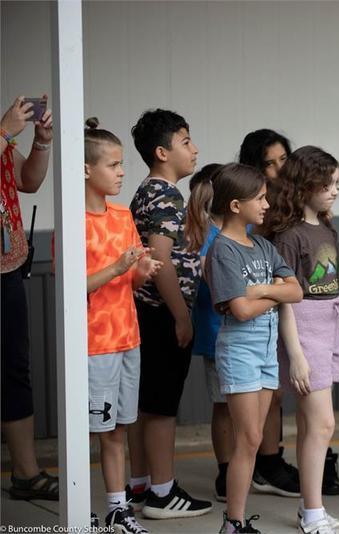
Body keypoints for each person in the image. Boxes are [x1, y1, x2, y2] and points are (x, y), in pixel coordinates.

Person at [205, 163, 303, 534]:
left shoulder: (262, 245)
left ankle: (237, 521)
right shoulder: (223, 250)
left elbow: (296, 291)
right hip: (240, 349)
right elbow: (241, 311)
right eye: (259, 198)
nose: (266, 205)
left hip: (266, 348)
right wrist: (276, 293)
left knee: (254, 438)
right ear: (235, 205)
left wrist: (261, 290)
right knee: (247, 439)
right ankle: (233, 523)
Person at [126, 108, 212, 518]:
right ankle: (162, 494)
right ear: (162, 152)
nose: (194, 149)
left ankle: (140, 484)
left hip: (144, 313)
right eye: (185, 141)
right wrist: (181, 315)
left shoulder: (145, 191)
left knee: (145, 404)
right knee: (161, 408)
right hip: (161, 314)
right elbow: (159, 259)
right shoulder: (166, 195)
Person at [264, 145, 339, 533]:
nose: (335, 191)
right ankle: (313, 513)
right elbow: (285, 298)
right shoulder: (289, 235)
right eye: (327, 184)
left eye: (337, 183)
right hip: (304, 329)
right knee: (322, 424)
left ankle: (310, 508)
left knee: (312, 425)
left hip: (329, 325)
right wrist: (295, 353)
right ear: (304, 184)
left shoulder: (326, 227)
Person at [83, 118, 162, 533]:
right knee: (91, 429)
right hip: (93, 344)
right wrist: (118, 267)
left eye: (120, 164)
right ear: (86, 170)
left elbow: (128, 279)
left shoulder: (121, 215)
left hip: (127, 337)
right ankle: (82, 508)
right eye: (112, 165)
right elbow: (71, 286)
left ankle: (118, 509)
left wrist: (141, 272)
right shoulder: (75, 221)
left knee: (117, 428)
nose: (120, 173)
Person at [239, 128, 308, 498]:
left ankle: (271, 459)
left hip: (291, 302)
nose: (280, 169)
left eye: (284, 159)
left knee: (279, 389)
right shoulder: (253, 206)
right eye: (270, 163)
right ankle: (257, 463)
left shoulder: (297, 198)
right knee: (262, 391)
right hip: (257, 306)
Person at [0, 95, 57, 501]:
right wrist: (5, 131)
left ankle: (26, 474)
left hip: (7, 266)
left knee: (14, 368)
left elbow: (29, 181)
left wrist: (42, 141)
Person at [186, 163, 235, 502]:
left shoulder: (243, 232)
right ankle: (227, 469)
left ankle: (239, 467)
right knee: (224, 405)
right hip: (219, 334)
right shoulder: (207, 237)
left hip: (241, 333)